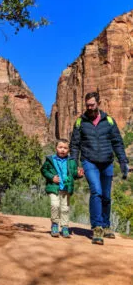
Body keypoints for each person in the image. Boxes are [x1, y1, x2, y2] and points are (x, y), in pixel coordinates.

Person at [70, 91, 129, 245]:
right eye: (87, 105)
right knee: (96, 191)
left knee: (106, 196)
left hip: (107, 162)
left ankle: (106, 225)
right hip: (89, 162)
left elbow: (117, 142)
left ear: (98, 103)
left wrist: (123, 161)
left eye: (92, 105)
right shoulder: (80, 123)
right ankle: (97, 227)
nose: (89, 108)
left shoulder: (109, 121)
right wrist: (73, 165)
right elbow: (74, 145)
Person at [41, 138, 83, 238]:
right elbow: (43, 170)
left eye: (65, 148)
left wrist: (79, 175)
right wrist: (52, 177)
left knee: (65, 209)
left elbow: (73, 174)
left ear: (68, 150)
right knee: (55, 205)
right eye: (60, 147)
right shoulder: (50, 159)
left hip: (66, 188)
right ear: (56, 148)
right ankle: (55, 225)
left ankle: (65, 227)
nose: (62, 150)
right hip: (54, 187)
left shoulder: (72, 161)